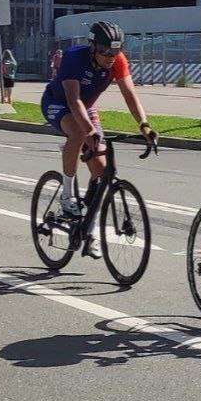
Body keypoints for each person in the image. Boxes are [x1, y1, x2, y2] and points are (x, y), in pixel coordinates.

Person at [41, 21, 157, 259]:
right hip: (58, 103)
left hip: (88, 107)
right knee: (78, 132)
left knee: (101, 169)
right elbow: (73, 101)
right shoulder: (74, 58)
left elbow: (129, 95)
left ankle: (89, 231)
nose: (110, 57)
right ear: (93, 47)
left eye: (115, 52)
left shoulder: (118, 60)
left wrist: (144, 125)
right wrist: (88, 131)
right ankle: (66, 195)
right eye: (105, 52)